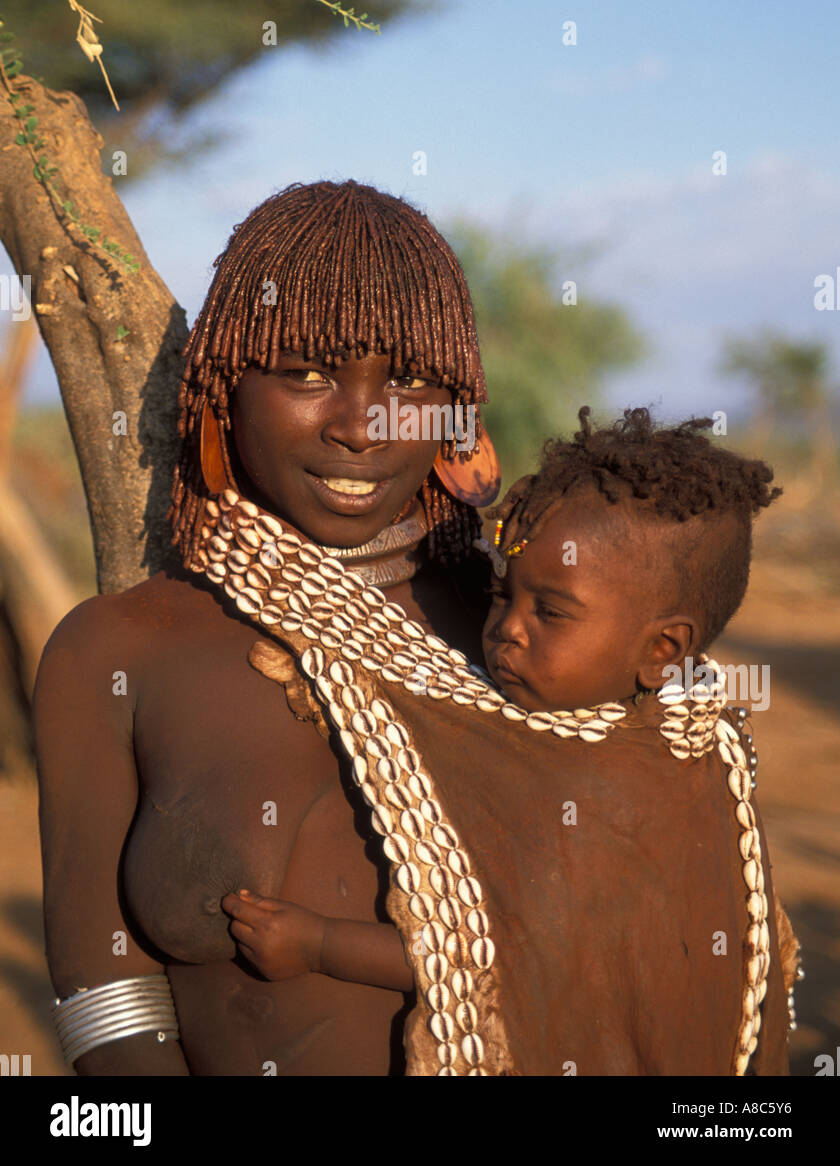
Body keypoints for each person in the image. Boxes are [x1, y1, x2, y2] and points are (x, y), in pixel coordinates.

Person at [34, 179, 501, 1077]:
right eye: (307, 374)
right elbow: (102, 993)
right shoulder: (117, 652)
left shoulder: (517, 635)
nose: (361, 429)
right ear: (223, 388)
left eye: (405, 382)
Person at [216, 408, 798, 1075]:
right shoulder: (676, 733)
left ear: (663, 650)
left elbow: (502, 950)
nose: (507, 630)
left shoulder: (650, 772)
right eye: (501, 596)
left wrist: (318, 943)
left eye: (549, 612)